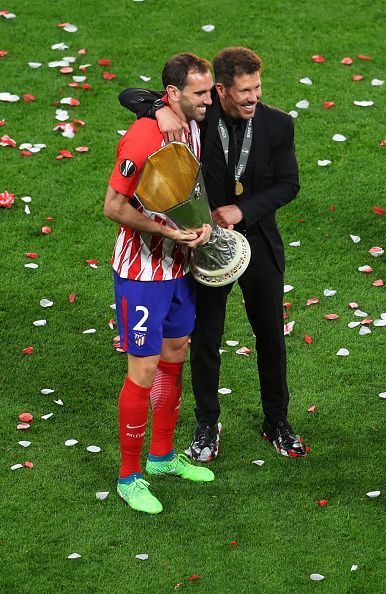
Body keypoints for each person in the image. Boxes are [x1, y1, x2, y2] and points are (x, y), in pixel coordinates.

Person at [119, 47, 306, 462]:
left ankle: (276, 420)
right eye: (244, 90)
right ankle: (207, 424)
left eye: (257, 87)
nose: (253, 97)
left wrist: (245, 209)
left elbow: (289, 184)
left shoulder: (278, 125)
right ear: (220, 90)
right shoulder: (202, 116)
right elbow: (130, 94)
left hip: (257, 242)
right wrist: (157, 109)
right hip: (202, 244)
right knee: (205, 338)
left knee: (271, 336)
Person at [103, 53, 215, 515]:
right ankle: (130, 477)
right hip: (142, 274)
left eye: (210, 91)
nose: (210, 100)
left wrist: (201, 226)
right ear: (173, 95)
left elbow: (186, 190)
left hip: (177, 270)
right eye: (201, 94)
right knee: (143, 371)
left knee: (173, 359)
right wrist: (169, 232)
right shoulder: (143, 137)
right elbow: (113, 206)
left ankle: (162, 457)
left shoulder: (186, 124)